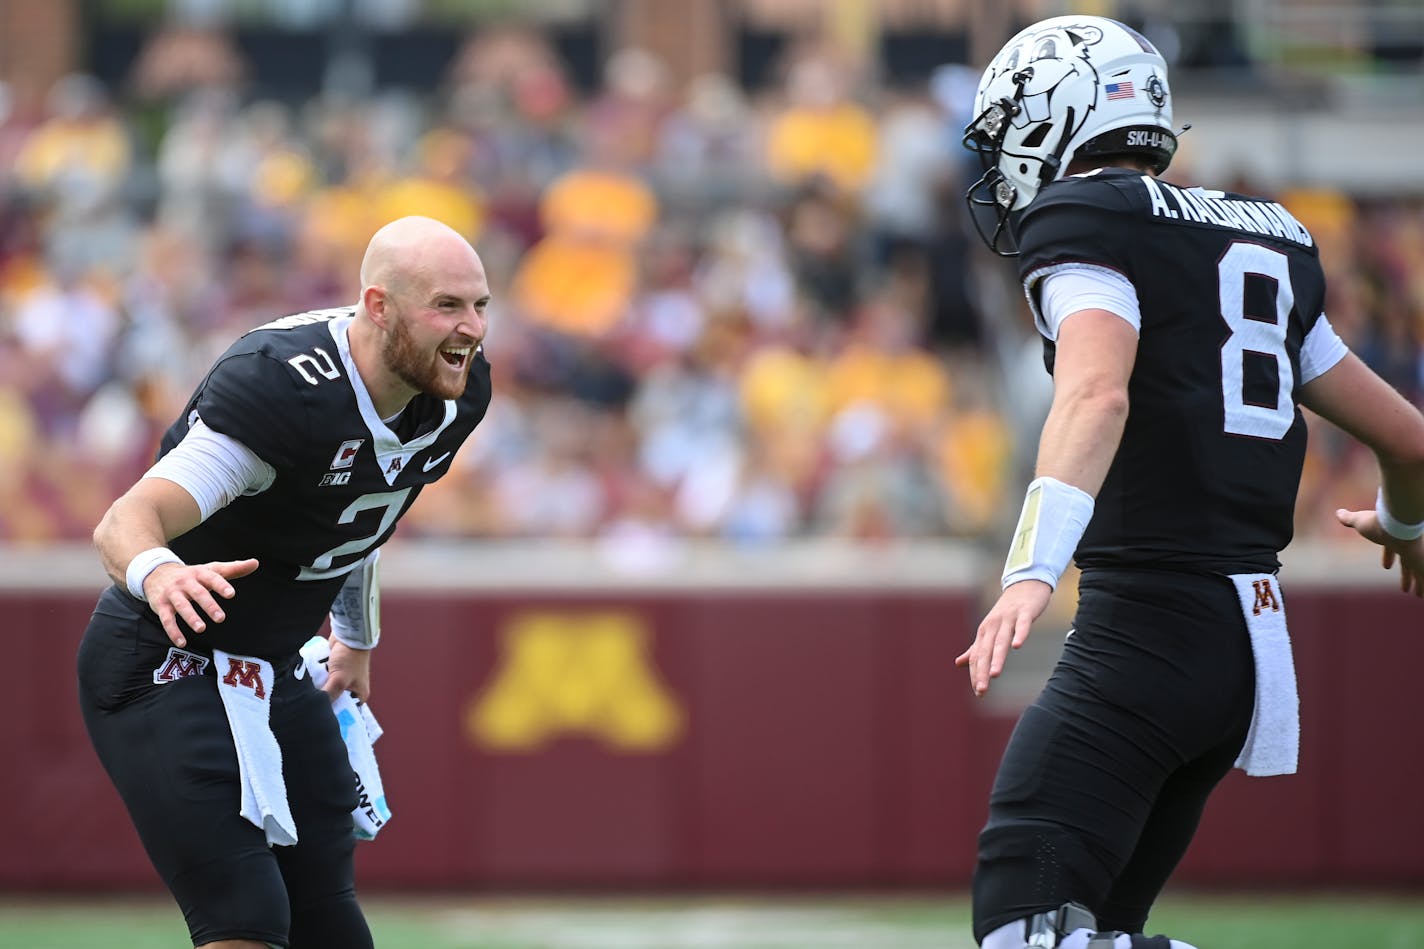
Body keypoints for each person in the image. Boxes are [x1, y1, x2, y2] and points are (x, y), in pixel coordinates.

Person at [955, 16, 1424, 949]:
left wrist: (1031, 569)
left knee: (1024, 930)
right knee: (1090, 928)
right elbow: (1410, 441)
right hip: (1241, 645)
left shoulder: (1086, 217)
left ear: (1059, 116)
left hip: (1148, 632)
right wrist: (1406, 528)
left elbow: (1096, 393)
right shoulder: (1267, 239)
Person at [76, 215, 492, 949]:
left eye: (480, 305)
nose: (472, 329)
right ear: (379, 305)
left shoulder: (455, 390)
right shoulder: (285, 390)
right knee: (246, 917)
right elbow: (126, 519)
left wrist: (356, 639)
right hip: (166, 658)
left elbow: (361, 512)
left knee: (330, 923)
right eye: (448, 306)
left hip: (269, 664)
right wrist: (162, 571)